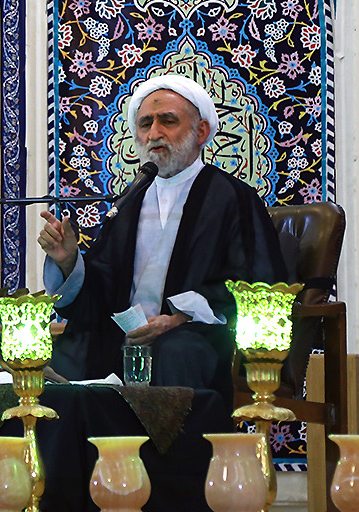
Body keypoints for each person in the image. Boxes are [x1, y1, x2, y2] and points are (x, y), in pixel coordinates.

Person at [38, 74, 287, 405]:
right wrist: (69, 261)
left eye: (167, 121)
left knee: (176, 351)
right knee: (66, 351)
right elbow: (103, 287)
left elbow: (256, 283)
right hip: (126, 338)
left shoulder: (231, 197)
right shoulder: (130, 200)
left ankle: (174, 443)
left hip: (196, 335)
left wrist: (180, 317)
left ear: (201, 132)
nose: (154, 133)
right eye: (145, 124)